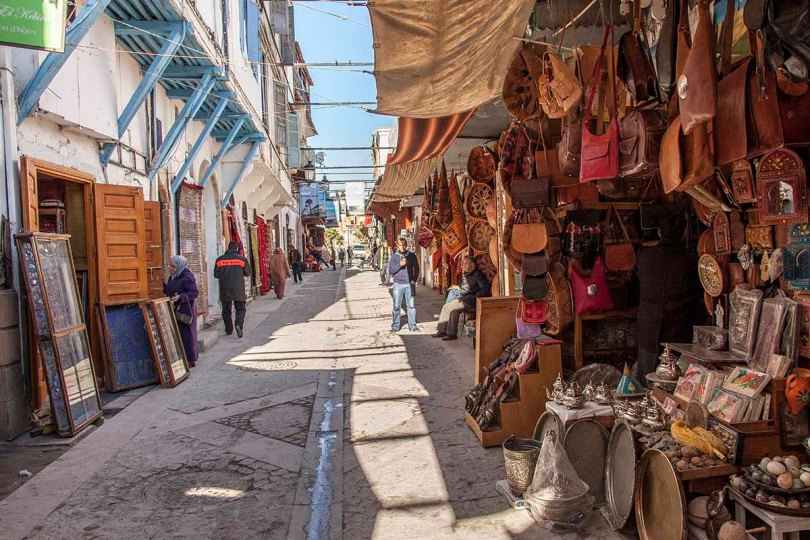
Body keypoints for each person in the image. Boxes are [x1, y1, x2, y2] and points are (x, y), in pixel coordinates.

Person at [635, 214, 702, 383]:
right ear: (684, 233)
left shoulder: (644, 256)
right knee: (675, 383)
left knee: (646, 382)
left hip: (649, 329)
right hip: (679, 329)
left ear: (659, 232)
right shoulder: (692, 259)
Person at [432, 256, 491, 341]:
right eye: (463, 263)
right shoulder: (466, 274)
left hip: (471, 301)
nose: (463, 265)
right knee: (451, 309)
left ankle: (447, 332)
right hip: (464, 299)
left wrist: (475, 296)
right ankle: (447, 332)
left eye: (466, 263)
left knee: (449, 307)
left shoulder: (477, 275)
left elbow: (485, 288)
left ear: (472, 265)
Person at [164, 255, 199, 366]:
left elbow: (194, 293)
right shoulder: (174, 277)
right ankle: (181, 359)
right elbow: (169, 290)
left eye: (173, 266)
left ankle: (190, 359)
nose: (171, 268)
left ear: (179, 266)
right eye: (170, 266)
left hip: (185, 311)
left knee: (187, 335)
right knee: (178, 335)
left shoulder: (187, 277)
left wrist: (181, 297)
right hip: (175, 309)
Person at [214, 241, 251, 338]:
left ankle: (229, 329)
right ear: (237, 249)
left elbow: (216, 274)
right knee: (240, 308)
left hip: (225, 288)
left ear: (228, 248)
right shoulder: (242, 259)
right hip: (239, 289)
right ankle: (238, 324)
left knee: (226, 310)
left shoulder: (219, 260)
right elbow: (248, 273)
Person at [388, 237, 420, 333]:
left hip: (409, 284)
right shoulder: (394, 257)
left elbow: (417, 268)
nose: (402, 247)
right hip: (398, 284)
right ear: (398, 246)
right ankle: (395, 326)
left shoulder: (412, 256)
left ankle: (413, 326)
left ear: (406, 245)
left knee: (411, 306)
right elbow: (391, 271)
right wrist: (400, 265)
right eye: (400, 245)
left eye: (404, 245)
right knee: (396, 306)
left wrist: (414, 279)